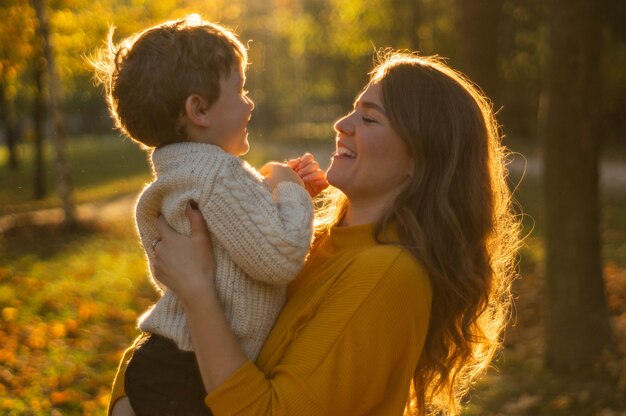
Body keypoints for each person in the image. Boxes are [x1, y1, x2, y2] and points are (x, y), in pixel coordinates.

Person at [108, 50, 520, 415]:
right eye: (353, 110)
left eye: (369, 118)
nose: (342, 124)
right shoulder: (324, 243)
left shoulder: (387, 276)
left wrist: (197, 291)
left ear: (423, 158)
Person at [94, 15, 329, 416]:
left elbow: (234, 246)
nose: (250, 102)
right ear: (198, 109)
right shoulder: (217, 175)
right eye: (240, 89)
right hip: (188, 377)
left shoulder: (183, 174)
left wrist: (283, 197)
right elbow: (281, 257)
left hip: (171, 368)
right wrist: (290, 191)